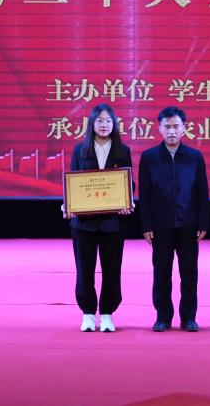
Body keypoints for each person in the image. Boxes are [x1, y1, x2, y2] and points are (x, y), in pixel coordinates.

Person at [62, 103, 133, 332]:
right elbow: (72, 182)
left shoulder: (123, 151)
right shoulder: (80, 150)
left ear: (114, 124)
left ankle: (107, 314)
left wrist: (127, 202)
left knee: (112, 270)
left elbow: (129, 183)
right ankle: (88, 314)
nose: (104, 125)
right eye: (100, 121)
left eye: (108, 121)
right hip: (84, 223)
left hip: (113, 222)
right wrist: (69, 204)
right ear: (92, 123)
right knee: (84, 270)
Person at [138, 106, 210, 332]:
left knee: (189, 274)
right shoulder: (149, 157)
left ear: (184, 129)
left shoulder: (194, 157)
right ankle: (163, 317)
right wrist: (146, 225)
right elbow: (144, 195)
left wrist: (203, 222)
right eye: (167, 126)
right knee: (161, 273)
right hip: (160, 226)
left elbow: (202, 192)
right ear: (159, 128)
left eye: (176, 126)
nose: (171, 131)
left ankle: (188, 317)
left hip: (189, 224)